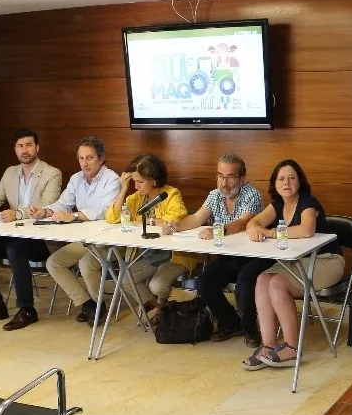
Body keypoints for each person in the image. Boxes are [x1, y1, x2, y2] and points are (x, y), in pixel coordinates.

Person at [241, 160, 344, 370]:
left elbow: (306, 230)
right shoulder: (278, 204)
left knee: (277, 283)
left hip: (326, 261)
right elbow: (253, 222)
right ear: (275, 183)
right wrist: (254, 228)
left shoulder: (307, 201)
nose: (286, 182)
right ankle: (268, 345)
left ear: (299, 181)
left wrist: (269, 232)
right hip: (299, 262)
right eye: (281, 178)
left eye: (291, 177)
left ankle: (292, 347)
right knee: (262, 279)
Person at [161, 153, 264, 345]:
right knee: (204, 282)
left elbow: (243, 223)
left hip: (254, 256)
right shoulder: (215, 195)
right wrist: (175, 225)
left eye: (230, 177)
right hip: (230, 256)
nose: (224, 183)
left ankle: (252, 331)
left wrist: (217, 230)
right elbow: (196, 218)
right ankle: (232, 323)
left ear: (242, 178)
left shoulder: (252, 194)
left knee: (244, 284)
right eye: (220, 176)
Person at [0, 129, 62, 330]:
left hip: (41, 238)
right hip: (14, 235)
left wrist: (17, 214)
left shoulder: (52, 173)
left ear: (37, 147)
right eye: (20, 146)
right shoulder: (10, 173)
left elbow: (48, 205)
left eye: (29, 145)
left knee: (14, 249)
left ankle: (27, 310)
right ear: (15, 150)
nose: (25, 150)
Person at [86, 154, 201, 319]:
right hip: (148, 255)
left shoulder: (171, 194)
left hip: (174, 256)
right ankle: (161, 307)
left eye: (140, 182)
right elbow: (112, 218)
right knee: (125, 279)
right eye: (134, 181)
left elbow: (176, 219)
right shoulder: (137, 198)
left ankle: (160, 309)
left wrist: (149, 220)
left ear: (153, 180)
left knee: (156, 285)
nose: (136, 186)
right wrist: (123, 188)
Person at [36, 137, 120, 325]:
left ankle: (99, 306)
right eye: (81, 158)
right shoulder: (76, 179)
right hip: (84, 240)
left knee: (85, 264)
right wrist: (47, 211)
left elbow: (106, 210)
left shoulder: (112, 179)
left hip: (106, 240)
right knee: (54, 263)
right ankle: (87, 303)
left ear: (101, 158)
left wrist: (74, 216)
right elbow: (63, 203)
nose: (84, 163)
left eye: (89, 158)